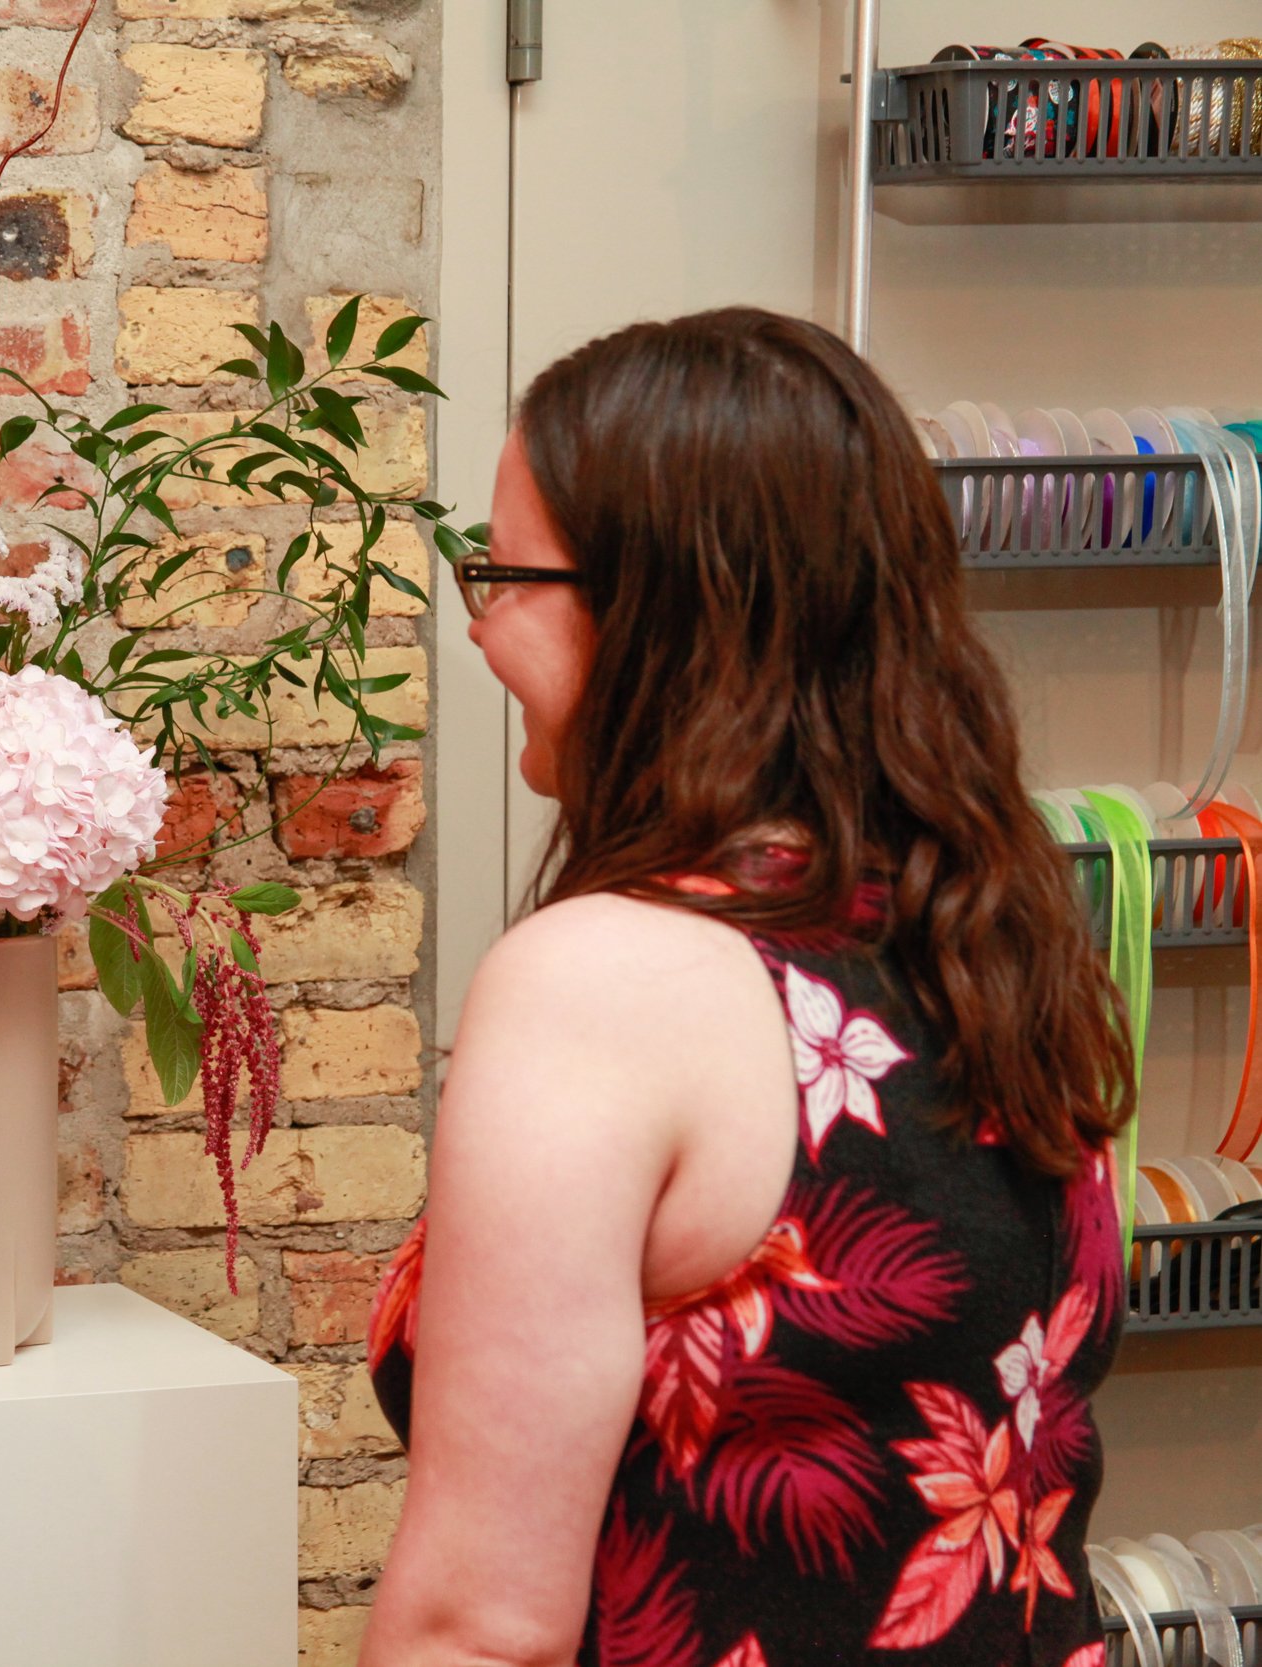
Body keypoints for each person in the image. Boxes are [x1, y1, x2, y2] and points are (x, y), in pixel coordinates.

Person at [360, 310, 1133, 1667]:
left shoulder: (605, 977)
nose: (479, 627)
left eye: (505, 573)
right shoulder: (1001, 934)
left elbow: (480, 1624)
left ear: (657, 607)